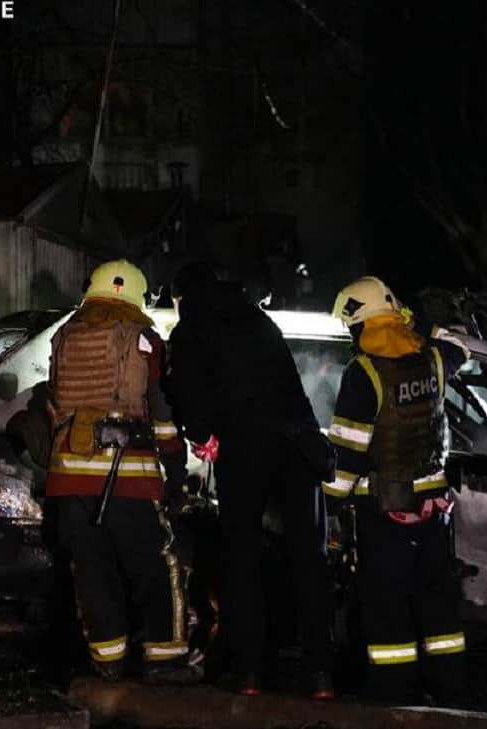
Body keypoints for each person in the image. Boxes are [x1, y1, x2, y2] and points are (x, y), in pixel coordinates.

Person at [163, 262, 336, 699]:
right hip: (299, 446)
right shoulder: (257, 319)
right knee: (309, 560)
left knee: (241, 558)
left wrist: (201, 436)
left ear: (183, 297)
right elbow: (288, 385)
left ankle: (250, 673)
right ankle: (320, 674)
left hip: (244, 450)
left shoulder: (191, 329)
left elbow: (184, 391)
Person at [44, 259, 197, 683]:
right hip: (127, 475)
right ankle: (165, 659)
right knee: (156, 565)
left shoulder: (65, 335)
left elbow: (55, 400)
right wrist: (175, 468)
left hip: (68, 476)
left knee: (91, 569)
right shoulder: (143, 338)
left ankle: (108, 662)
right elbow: (161, 409)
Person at [325, 276, 471, 703]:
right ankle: (449, 686)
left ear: (359, 322)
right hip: (434, 505)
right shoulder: (433, 358)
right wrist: (418, 322)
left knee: (386, 603)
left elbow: (349, 451)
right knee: (437, 600)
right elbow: (461, 345)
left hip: (383, 508)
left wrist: (329, 503)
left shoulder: (364, 372)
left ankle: (394, 689)